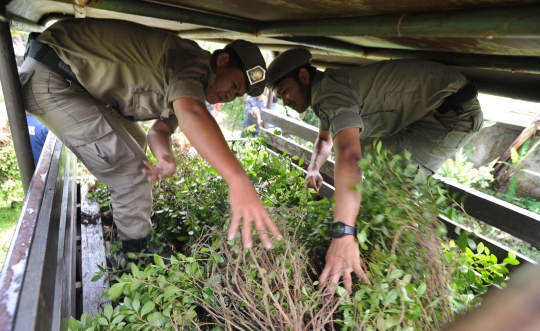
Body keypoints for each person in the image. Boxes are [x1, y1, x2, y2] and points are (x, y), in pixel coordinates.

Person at [19, 18, 281, 262]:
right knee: (131, 172)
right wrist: (237, 178)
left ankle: (123, 221)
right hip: (54, 75)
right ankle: (134, 258)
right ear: (222, 61)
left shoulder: (190, 87)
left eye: (237, 95)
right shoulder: (192, 62)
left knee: (136, 137)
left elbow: (160, 131)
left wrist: (165, 156)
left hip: (70, 80)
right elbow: (192, 114)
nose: (230, 96)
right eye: (234, 85)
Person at [266, 48, 483, 296]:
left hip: (451, 113)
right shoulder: (325, 90)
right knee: (370, 159)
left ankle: (416, 270)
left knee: (394, 185)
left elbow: (349, 155)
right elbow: (324, 140)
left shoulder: (330, 95)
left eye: (284, 92)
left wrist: (342, 233)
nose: (284, 100)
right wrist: (313, 168)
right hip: (426, 111)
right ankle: (368, 242)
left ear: (303, 77)